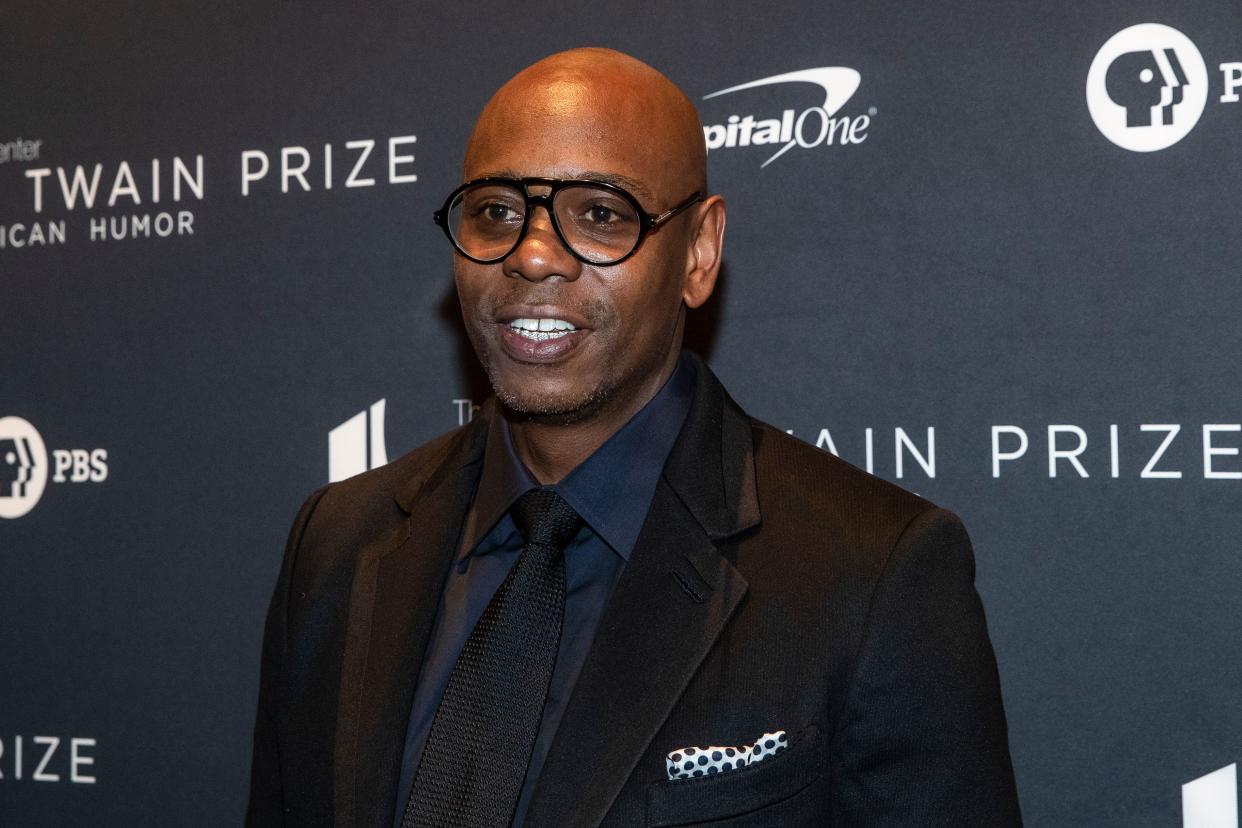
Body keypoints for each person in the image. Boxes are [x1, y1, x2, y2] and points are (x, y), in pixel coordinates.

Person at [246, 47, 1022, 827]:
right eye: (496, 212)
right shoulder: (339, 543)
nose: (534, 255)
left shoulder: (872, 574)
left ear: (699, 251)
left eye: (601, 213)